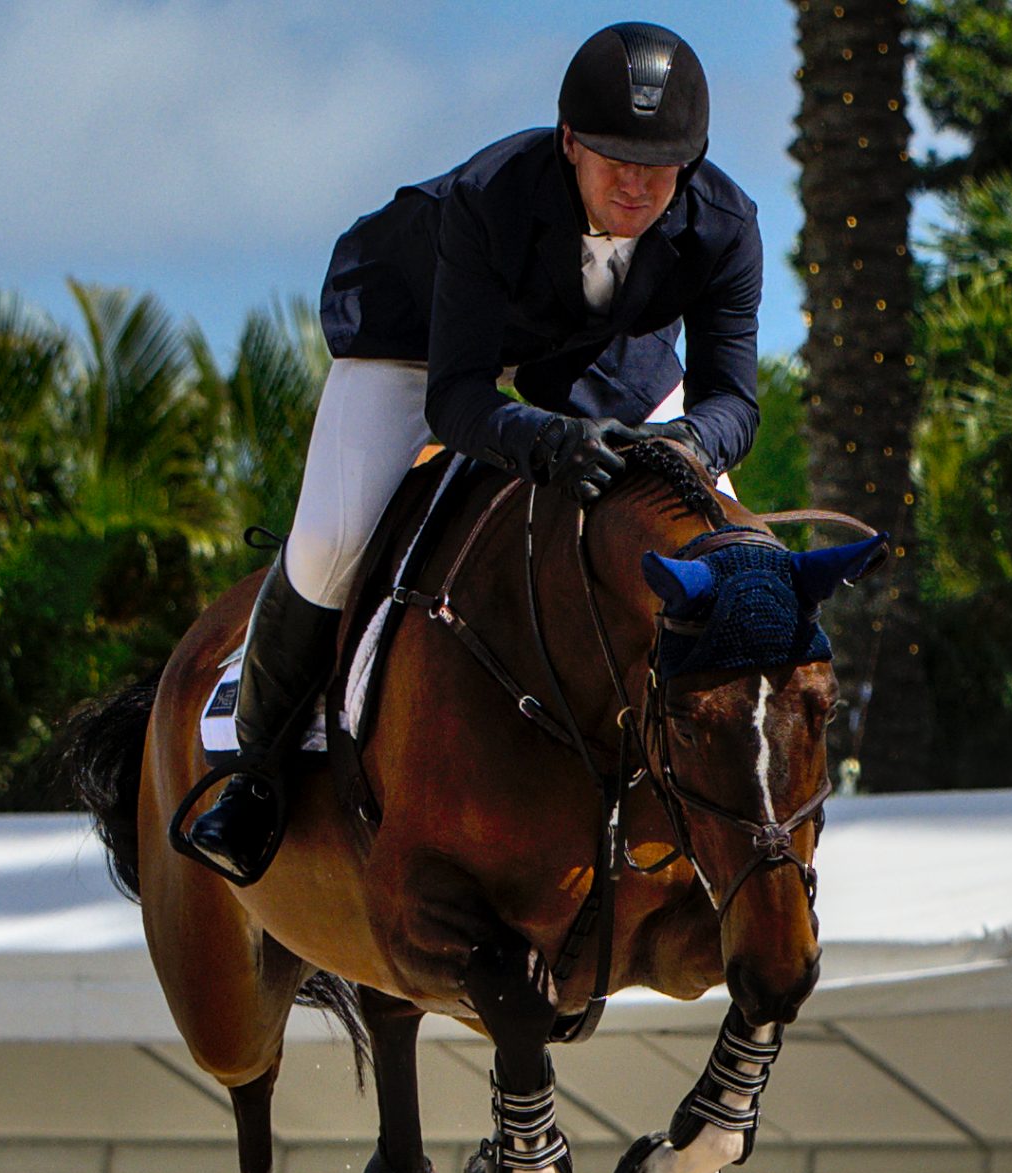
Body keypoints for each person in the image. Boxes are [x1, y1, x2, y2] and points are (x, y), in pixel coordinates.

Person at [183, 21, 764, 888]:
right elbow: (457, 399)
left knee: (715, 536)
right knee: (331, 544)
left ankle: (728, 794)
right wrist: (547, 441)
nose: (637, 186)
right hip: (419, 337)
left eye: (661, 165)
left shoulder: (724, 224)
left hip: (583, 344)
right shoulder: (493, 196)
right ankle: (254, 769)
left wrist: (689, 443)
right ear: (569, 141)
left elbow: (735, 401)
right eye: (613, 161)